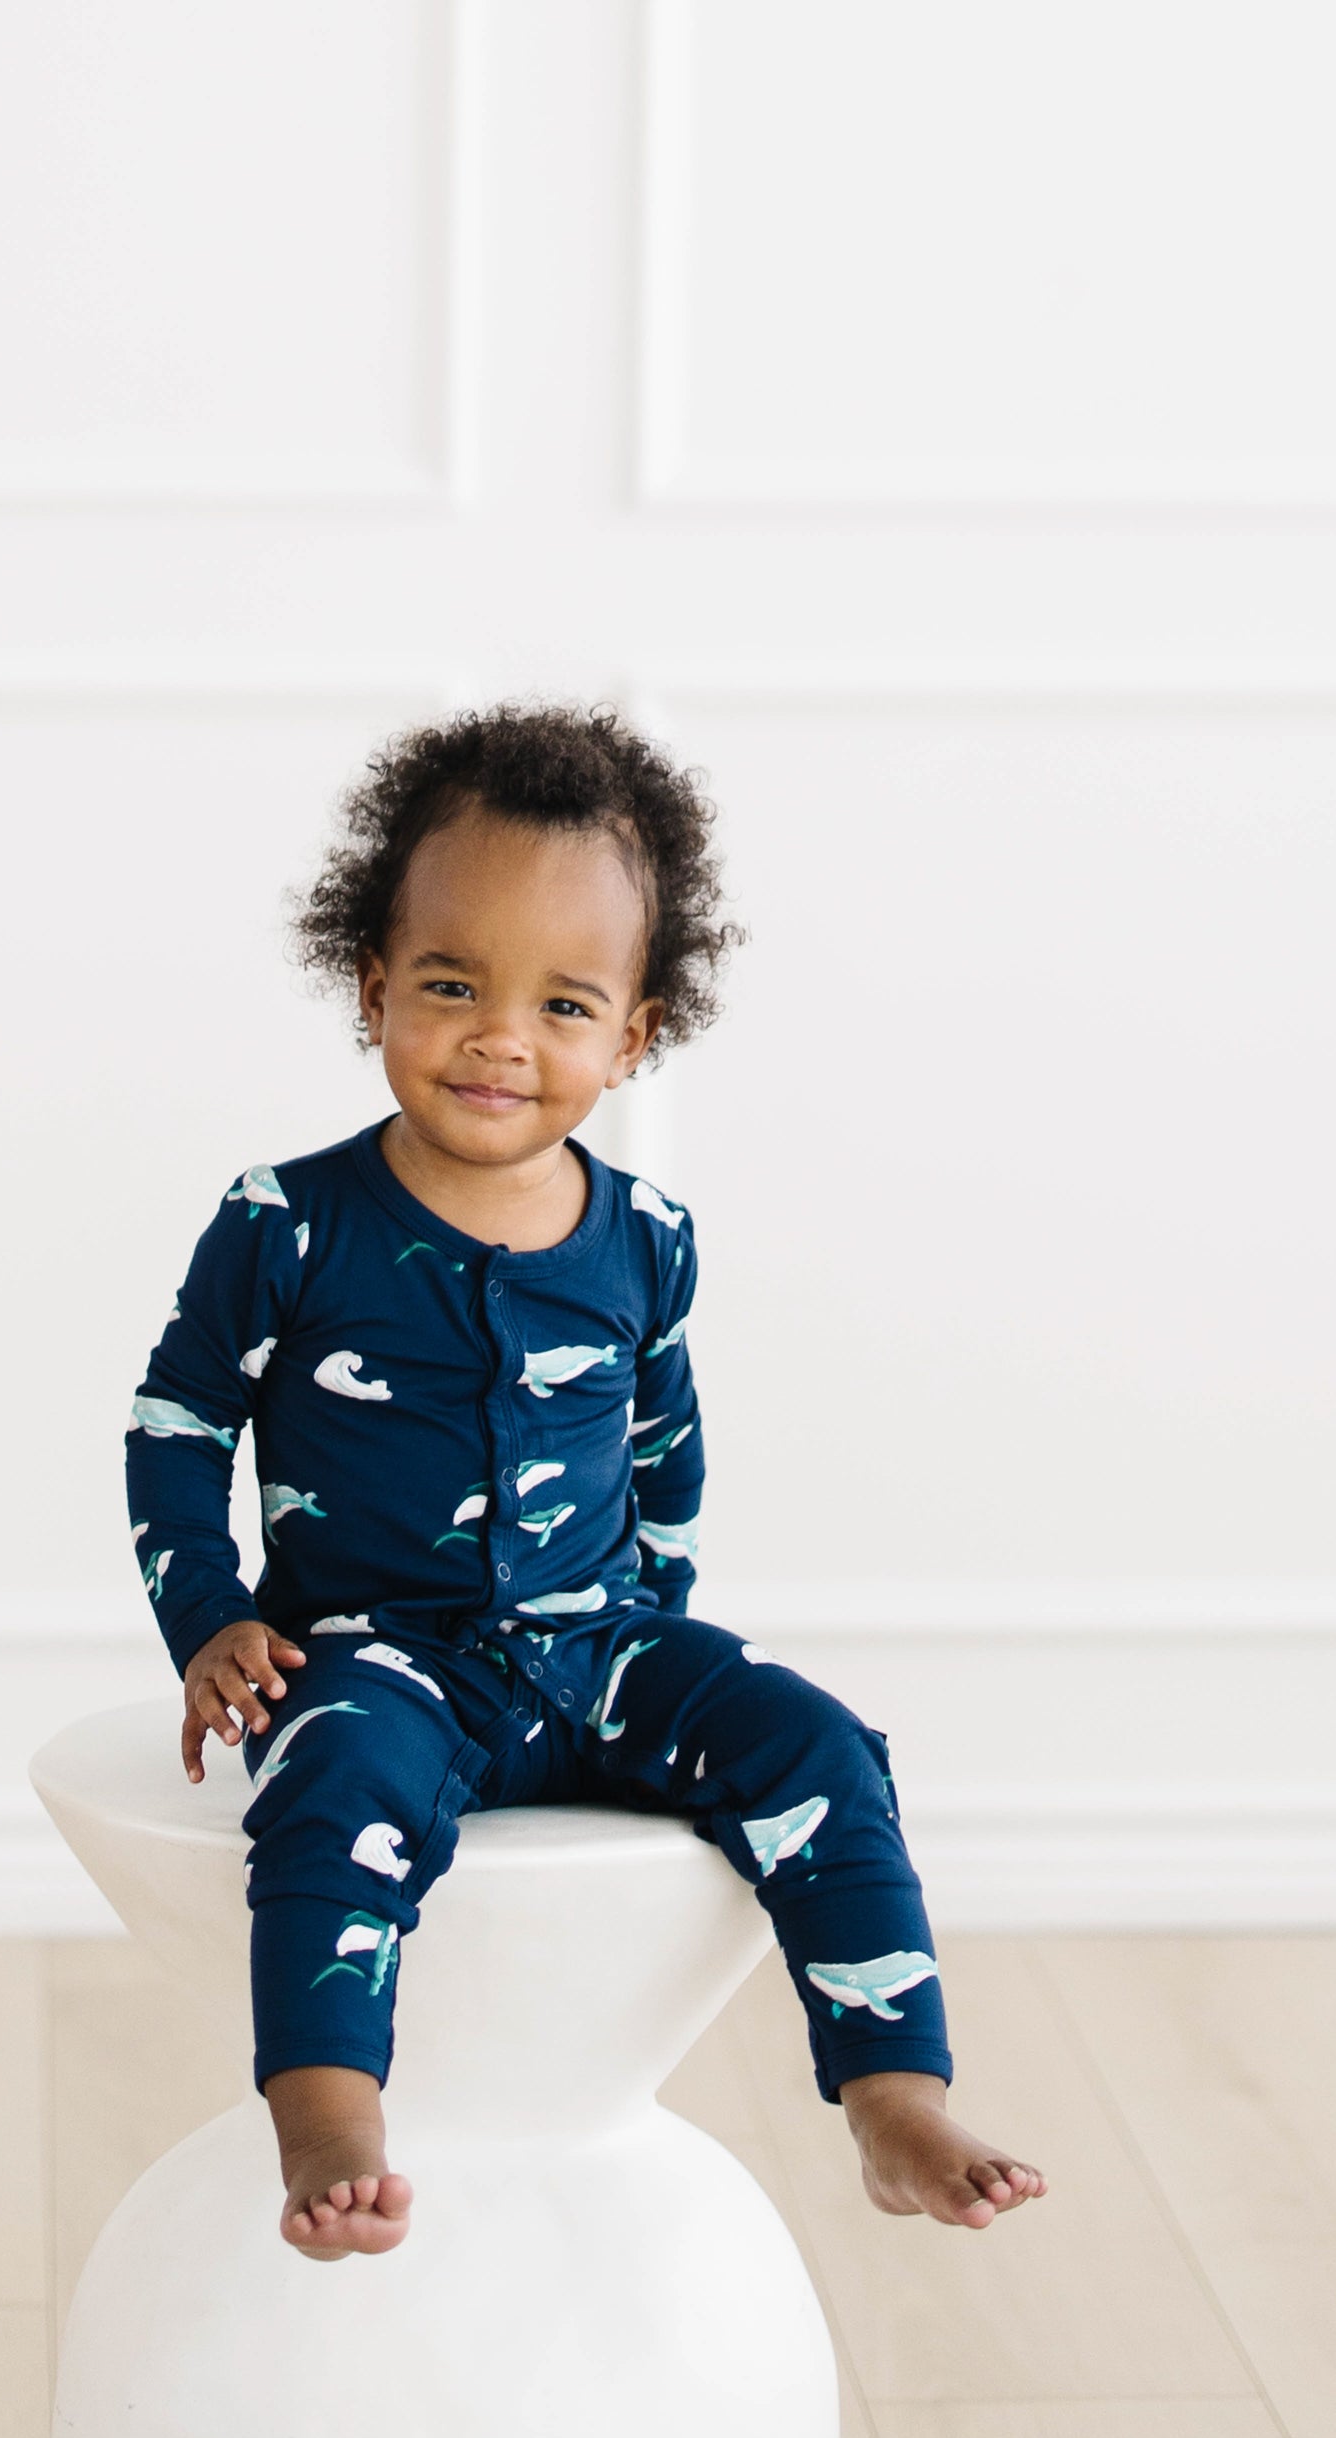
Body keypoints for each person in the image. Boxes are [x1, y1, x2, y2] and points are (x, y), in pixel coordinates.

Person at [125, 703, 1046, 2258]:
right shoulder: (286, 1222)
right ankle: (330, 2117)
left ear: (634, 1035)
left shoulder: (648, 1238)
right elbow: (175, 1424)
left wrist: (657, 1639)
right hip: (376, 1659)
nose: (502, 1036)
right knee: (331, 1796)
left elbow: (665, 1450)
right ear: (371, 987)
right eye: (451, 984)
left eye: (563, 1003)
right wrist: (212, 1617)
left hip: (597, 1646)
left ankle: (892, 2092)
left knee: (820, 1742)